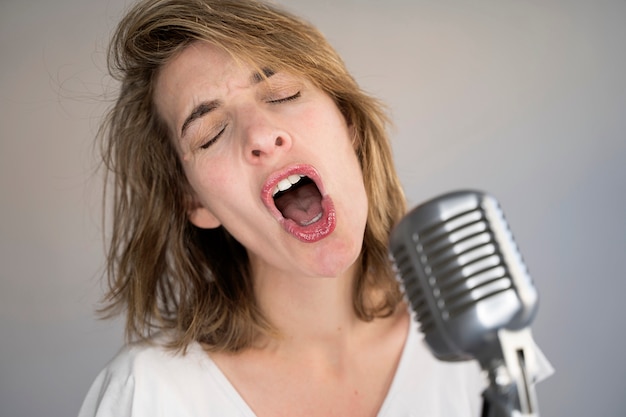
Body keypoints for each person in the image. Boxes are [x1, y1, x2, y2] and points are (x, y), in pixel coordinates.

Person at [78, 0, 484, 415]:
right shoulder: (150, 392)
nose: (261, 134)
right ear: (194, 199)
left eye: (283, 93)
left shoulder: (476, 339)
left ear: (349, 124)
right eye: (210, 133)